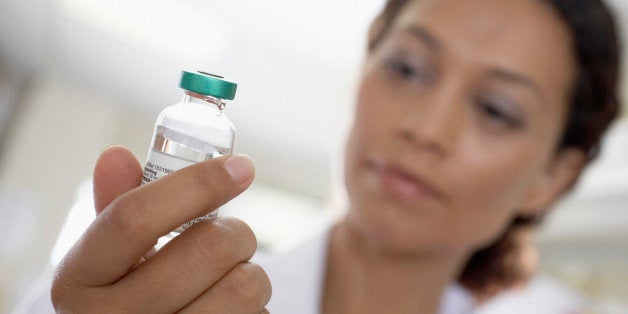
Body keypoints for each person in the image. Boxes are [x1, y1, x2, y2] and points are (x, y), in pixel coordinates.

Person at [49, 0, 621, 313]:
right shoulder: (135, 299)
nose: (425, 129)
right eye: (407, 69)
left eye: (496, 110)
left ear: (551, 177)